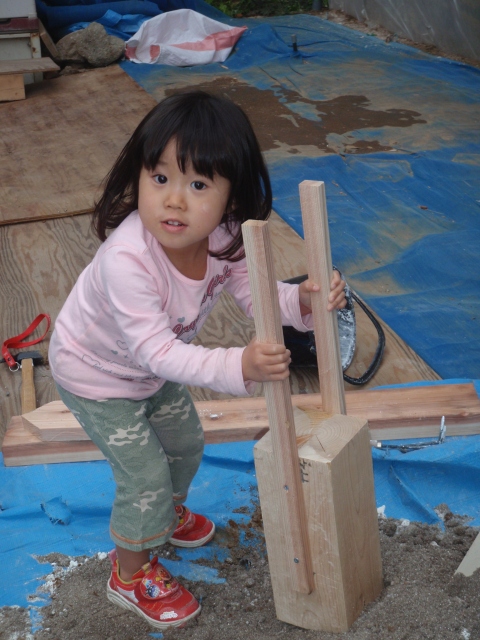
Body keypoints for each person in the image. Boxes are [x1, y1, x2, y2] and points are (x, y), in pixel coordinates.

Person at [48, 90, 346, 630]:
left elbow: (258, 294)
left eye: (199, 185)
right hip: (96, 376)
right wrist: (240, 367)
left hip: (151, 371)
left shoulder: (224, 236)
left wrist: (302, 302)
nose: (174, 201)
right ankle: (130, 572)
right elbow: (157, 351)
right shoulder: (127, 261)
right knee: (144, 477)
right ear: (138, 176)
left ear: (232, 197)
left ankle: (164, 512)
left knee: (186, 443)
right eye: (160, 177)